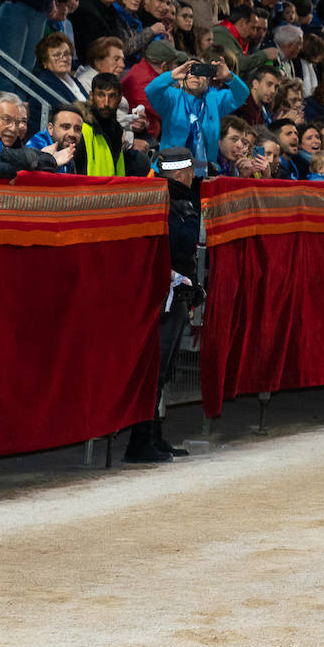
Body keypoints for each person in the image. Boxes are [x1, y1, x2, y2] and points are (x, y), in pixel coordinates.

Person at [124, 146, 202, 463]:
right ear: (180, 171)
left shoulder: (181, 199)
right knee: (155, 369)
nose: (194, 174)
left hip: (178, 293)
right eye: (190, 169)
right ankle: (141, 441)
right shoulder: (160, 200)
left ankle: (153, 435)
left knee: (165, 369)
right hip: (163, 296)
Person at [145, 54, 249, 172]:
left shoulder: (214, 100)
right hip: (171, 171)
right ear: (181, 79)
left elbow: (242, 94)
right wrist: (172, 75)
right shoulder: (171, 98)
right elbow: (151, 91)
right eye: (190, 71)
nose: (195, 75)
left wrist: (229, 77)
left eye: (201, 71)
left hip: (204, 171)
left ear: (208, 80)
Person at [25, 102, 83, 173]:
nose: (72, 134)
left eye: (77, 129)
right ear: (50, 128)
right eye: (66, 127)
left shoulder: (69, 153)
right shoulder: (36, 148)